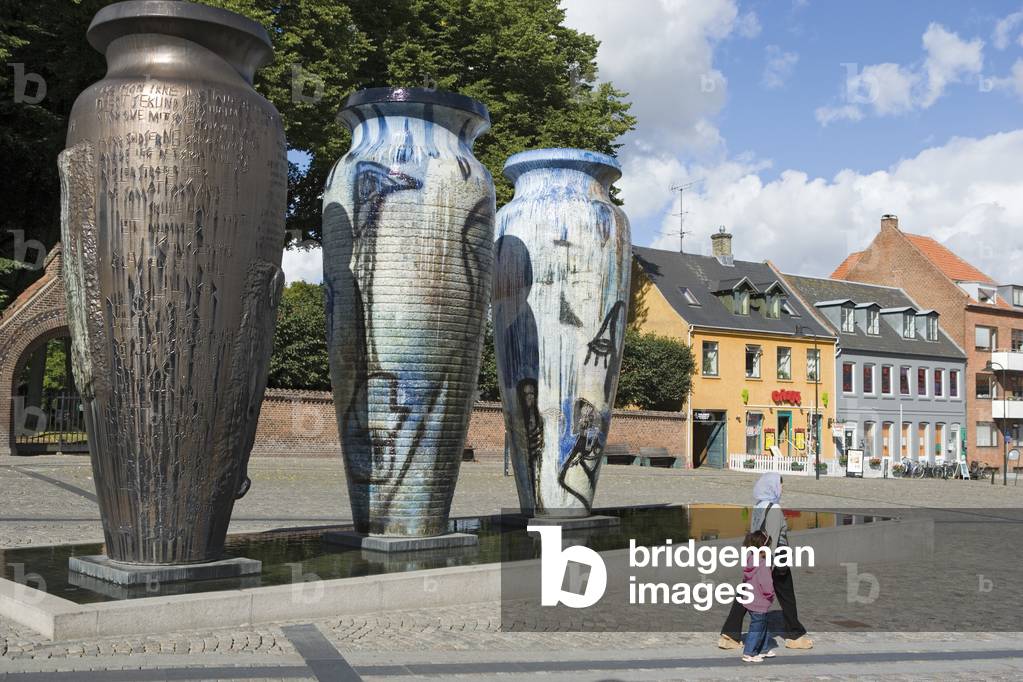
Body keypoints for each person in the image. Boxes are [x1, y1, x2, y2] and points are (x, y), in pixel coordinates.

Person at [718, 472, 814, 650]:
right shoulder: (774, 509)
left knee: (746, 592)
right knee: (787, 597)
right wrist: (767, 567)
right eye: (780, 485)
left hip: (756, 556)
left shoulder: (759, 506)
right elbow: (773, 538)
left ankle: (730, 634)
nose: (782, 489)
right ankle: (795, 635)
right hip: (776, 560)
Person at [740, 529, 775, 663]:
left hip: (750, 599)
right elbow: (766, 583)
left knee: (763, 624)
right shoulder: (763, 564)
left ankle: (764, 648)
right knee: (757, 626)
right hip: (760, 600)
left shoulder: (750, 559)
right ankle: (750, 652)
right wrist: (770, 594)